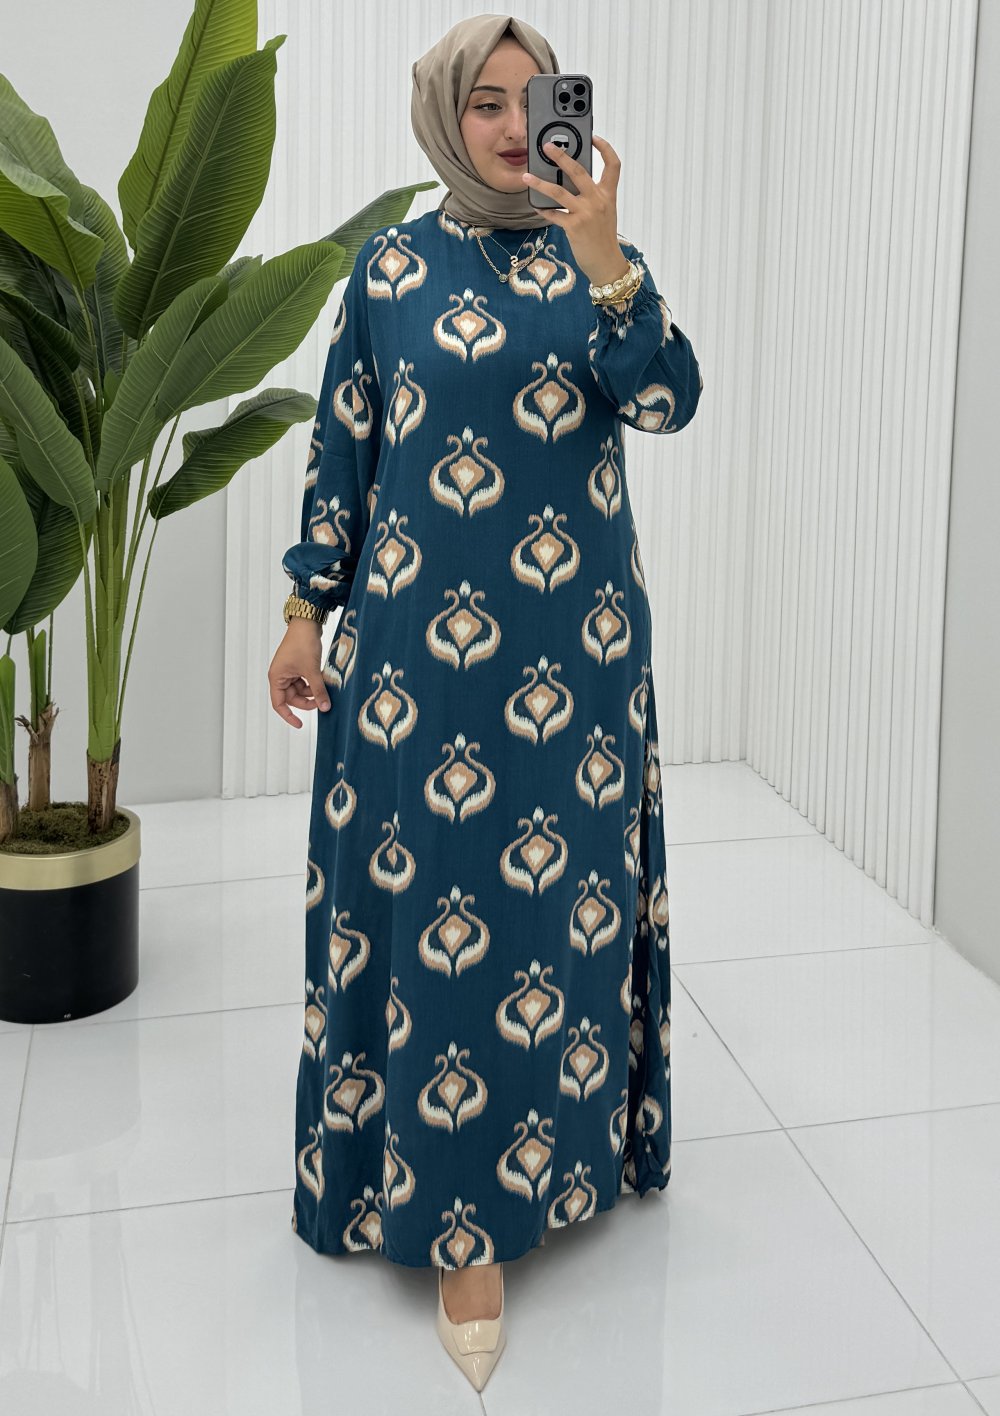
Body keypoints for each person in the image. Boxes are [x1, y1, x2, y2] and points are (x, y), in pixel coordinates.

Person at [267, 12, 703, 1393]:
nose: (517, 129)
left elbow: (667, 404)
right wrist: (304, 610)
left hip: (574, 654)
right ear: (445, 116)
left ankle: (576, 1147)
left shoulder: (596, 257)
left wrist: (609, 264)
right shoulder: (391, 269)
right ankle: (457, 1221)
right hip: (414, 668)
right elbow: (345, 445)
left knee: (556, 910)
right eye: (487, 105)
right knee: (435, 908)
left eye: (538, 100)